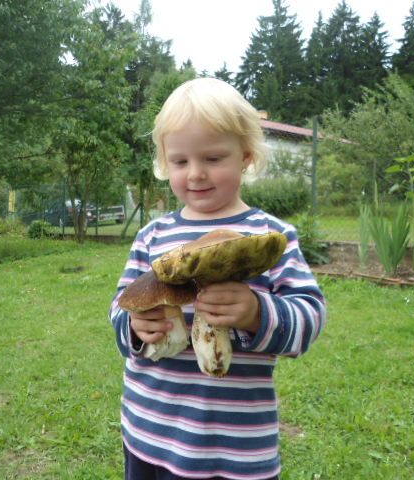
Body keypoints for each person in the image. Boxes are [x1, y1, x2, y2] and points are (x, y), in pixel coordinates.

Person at [109, 77, 326, 480]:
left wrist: (257, 312)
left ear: (245, 156)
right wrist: (135, 327)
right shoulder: (151, 236)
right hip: (148, 430)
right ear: (164, 162)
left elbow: (309, 319)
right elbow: (120, 306)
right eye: (180, 161)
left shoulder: (270, 236)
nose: (195, 174)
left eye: (212, 158)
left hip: (234, 446)